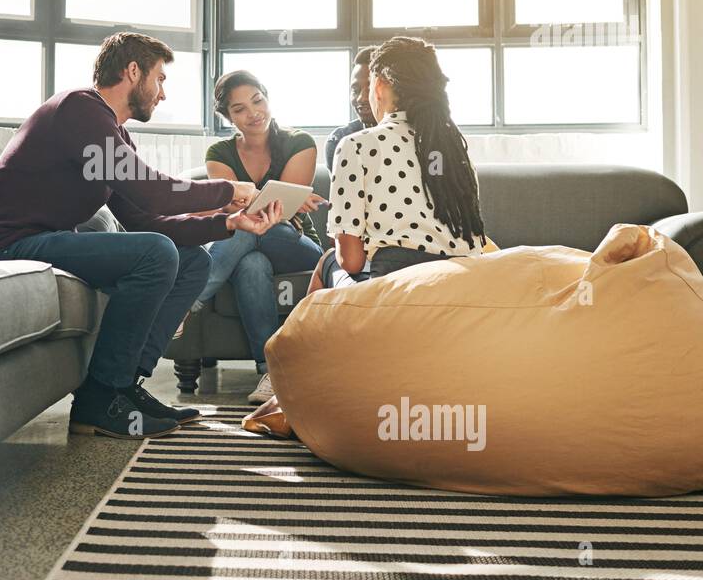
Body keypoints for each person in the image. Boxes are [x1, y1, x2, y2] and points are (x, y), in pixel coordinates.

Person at [0, 32, 284, 440]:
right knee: (155, 254)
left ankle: (125, 389)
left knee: (194, 261)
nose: (163, 94)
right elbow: (149, 190)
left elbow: (145, 219)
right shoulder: (78, 109)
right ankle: (98, 399)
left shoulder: (111, 133)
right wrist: (228, 191)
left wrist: (228, 224)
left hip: (44, 244)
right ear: (133, 71)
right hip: (9, 248)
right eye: (161, 79)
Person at [246, 35, 489, 429]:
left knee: (327, 264)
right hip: (459, 292)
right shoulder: (456, 151)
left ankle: (287, 389)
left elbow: (352, 259)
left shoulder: (357, 146)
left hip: (394, 291)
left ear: (380, 86)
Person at [191, 71, 325, 405]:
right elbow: (228, 207)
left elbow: (283, 212)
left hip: (294, 243)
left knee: (249, 228)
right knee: (250, 261)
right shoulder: (220, 153)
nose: (253, 113)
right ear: (228, 117)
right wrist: (253, 205)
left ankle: (186, 299)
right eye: (239, 109)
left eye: (257, 100)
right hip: (248, 240)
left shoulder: (300, 142)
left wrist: (248, 202)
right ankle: (270, 373)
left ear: (267, 97)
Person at [324, 46, 378, 171]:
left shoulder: (413, 135)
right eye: (355, 90)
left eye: (370, 89)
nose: (361, 98)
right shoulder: (338, 140)